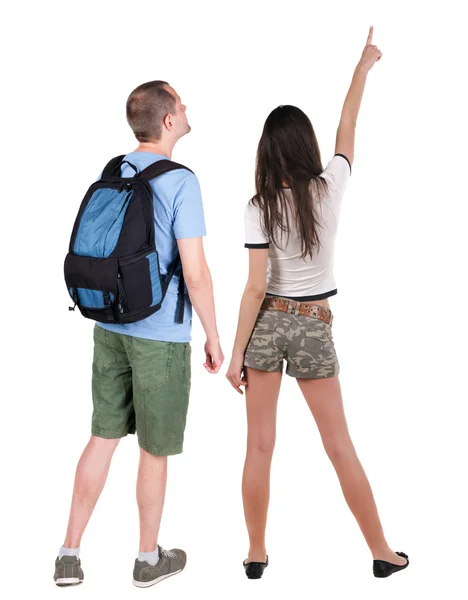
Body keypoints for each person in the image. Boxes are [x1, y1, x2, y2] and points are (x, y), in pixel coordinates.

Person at [226, 27, 409, 580]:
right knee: (339, 446)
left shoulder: (258, 206)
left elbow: (256, 288)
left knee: (260, 448)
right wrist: (363, 68)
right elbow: (346, 128)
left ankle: (256, 553)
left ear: (266, 151)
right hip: (312, 325)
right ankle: (381, 552)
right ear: (305, 148)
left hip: (266, 326)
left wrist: (236, 354)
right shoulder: (330, 186)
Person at [54, 81, 224, 588]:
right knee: (153, 450)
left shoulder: (116, 170)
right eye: (182, 103)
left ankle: (69, 554)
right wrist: (214, 336)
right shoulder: (181, 182)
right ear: (168, 121)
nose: (188, 107)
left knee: (103, 436)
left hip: (109, 325)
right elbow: (195, 272)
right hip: (160, 337)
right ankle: (148, 561)